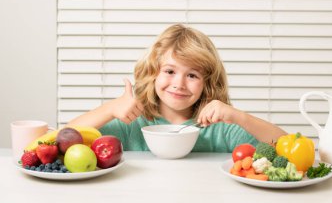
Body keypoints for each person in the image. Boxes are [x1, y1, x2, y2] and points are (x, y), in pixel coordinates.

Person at [67, 24, 287, 152]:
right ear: (153, 73)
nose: (179, 84)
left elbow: (286, 148)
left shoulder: (221, 128)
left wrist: (239, 117)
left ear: (207, 82)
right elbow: (63, 140)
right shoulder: (132, 122)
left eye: (192, 75)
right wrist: (109, 109)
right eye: (170, 71)